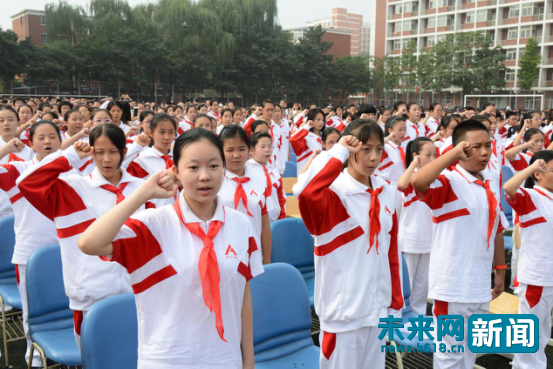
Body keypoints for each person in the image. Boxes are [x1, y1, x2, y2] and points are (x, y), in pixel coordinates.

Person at [78, 128, 263, 369]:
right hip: (167, 359)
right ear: (175, 171)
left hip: (224, 357)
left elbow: (242, 297)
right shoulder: (155, 224)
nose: (205, 176)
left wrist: (247, 360)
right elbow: (89, 243)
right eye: (193, 167)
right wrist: (143, 192)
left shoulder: (240, 224)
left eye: (214, 166)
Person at [16, 124, 152, 348]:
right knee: (94, 357)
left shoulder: (142, 189)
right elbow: (26, 183)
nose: (106, 159)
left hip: (136, 290)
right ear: (91, 152)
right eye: (99, 152)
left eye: (112, 152)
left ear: (124, 152)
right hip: (88, 294)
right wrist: (70, 155)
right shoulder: (71, 188)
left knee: (136, 353)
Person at [293, 120, 403, 369]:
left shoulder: (387, 191)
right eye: (365, 149)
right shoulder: (333, 193)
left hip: (377, 310)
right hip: (343, 315)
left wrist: (394, 303)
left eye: (379, 149)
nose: (374, 157)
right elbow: (306, 191)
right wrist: (339, 150)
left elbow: (391, 252)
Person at [410, 120, 506, 369]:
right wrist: (452, 153)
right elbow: (418, 181)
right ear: (461, 149)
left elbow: (496, 229)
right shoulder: (449, 181)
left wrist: (500, 271)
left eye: (488, 145)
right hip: (452, 288)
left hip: (479, 285)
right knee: (450, 356)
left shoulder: (487, 184)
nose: (484, 152)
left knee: (469, 354)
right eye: (475, 147)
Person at [0, 122, 69, 367]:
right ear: (31, 144)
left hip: (69, 249)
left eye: (53, 136)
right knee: (33, 305)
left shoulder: (72, 171)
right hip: (30, 251)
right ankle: (34, 350)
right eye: (41, 137)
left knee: (73, 298)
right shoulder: (18, 170)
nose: (47, 141)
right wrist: (7, 147)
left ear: (61, 141)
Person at [504, 150, 553, 369]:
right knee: (528, 334)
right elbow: (508, 188)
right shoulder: (532, 196)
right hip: (537, 277)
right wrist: (532, 167)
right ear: (539, 174)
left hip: (548, 276)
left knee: (542, 333)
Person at [218, 125, 271, 264]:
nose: (236, 155)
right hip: (223, 258)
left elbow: (264, 225)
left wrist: (266, 260)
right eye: (229, 150)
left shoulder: (259, 179)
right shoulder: (214, 181)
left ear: (249, 150)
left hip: (253, 257)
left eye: (241, 149)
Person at [397, 137, 435, 316]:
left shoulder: (437, 179)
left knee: (422, 283)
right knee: (408, 283)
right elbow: (401, 184)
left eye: (435, 154)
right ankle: (401, 319)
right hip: (411, 240)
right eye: (428, 155)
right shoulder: (412, 178)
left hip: (430, 239)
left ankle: (418, 316)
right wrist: (414, 165)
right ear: (416, 156)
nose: (433, 158)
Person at [126, 114, 178, 208]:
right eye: (161, 132)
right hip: (153, 212)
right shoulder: (142, 159)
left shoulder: (180, 157)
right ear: (150, 133)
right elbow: (119, 168)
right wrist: (136, 147)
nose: (167, 137)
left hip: (180, 212)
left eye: (171, 132)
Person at [246, 132, 286, 222]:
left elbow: (281, 198)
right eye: (263, 147)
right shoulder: (246, 170)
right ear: (252, 150)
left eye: (269, 146)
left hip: (275, 220)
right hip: (255, 222)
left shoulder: (274, 170)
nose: (267, 150)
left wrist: (281, 219)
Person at [290, 108, 325, 176]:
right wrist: (307, 126)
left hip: (321, 175)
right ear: (311, 120)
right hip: (306, 176)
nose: (321, 122)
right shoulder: (306, 137)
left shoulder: (325, 136)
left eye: (323, 120)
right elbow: (293, 139)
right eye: (318, 119)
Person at [377, 116, 407, 184]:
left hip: (403, 188)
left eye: (405, 129)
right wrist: (388, 138)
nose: (403, 133)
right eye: (400, 129)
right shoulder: (386, 148)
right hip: (388, 186)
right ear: (390, 130)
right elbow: (375, 145)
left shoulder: (405, 147)